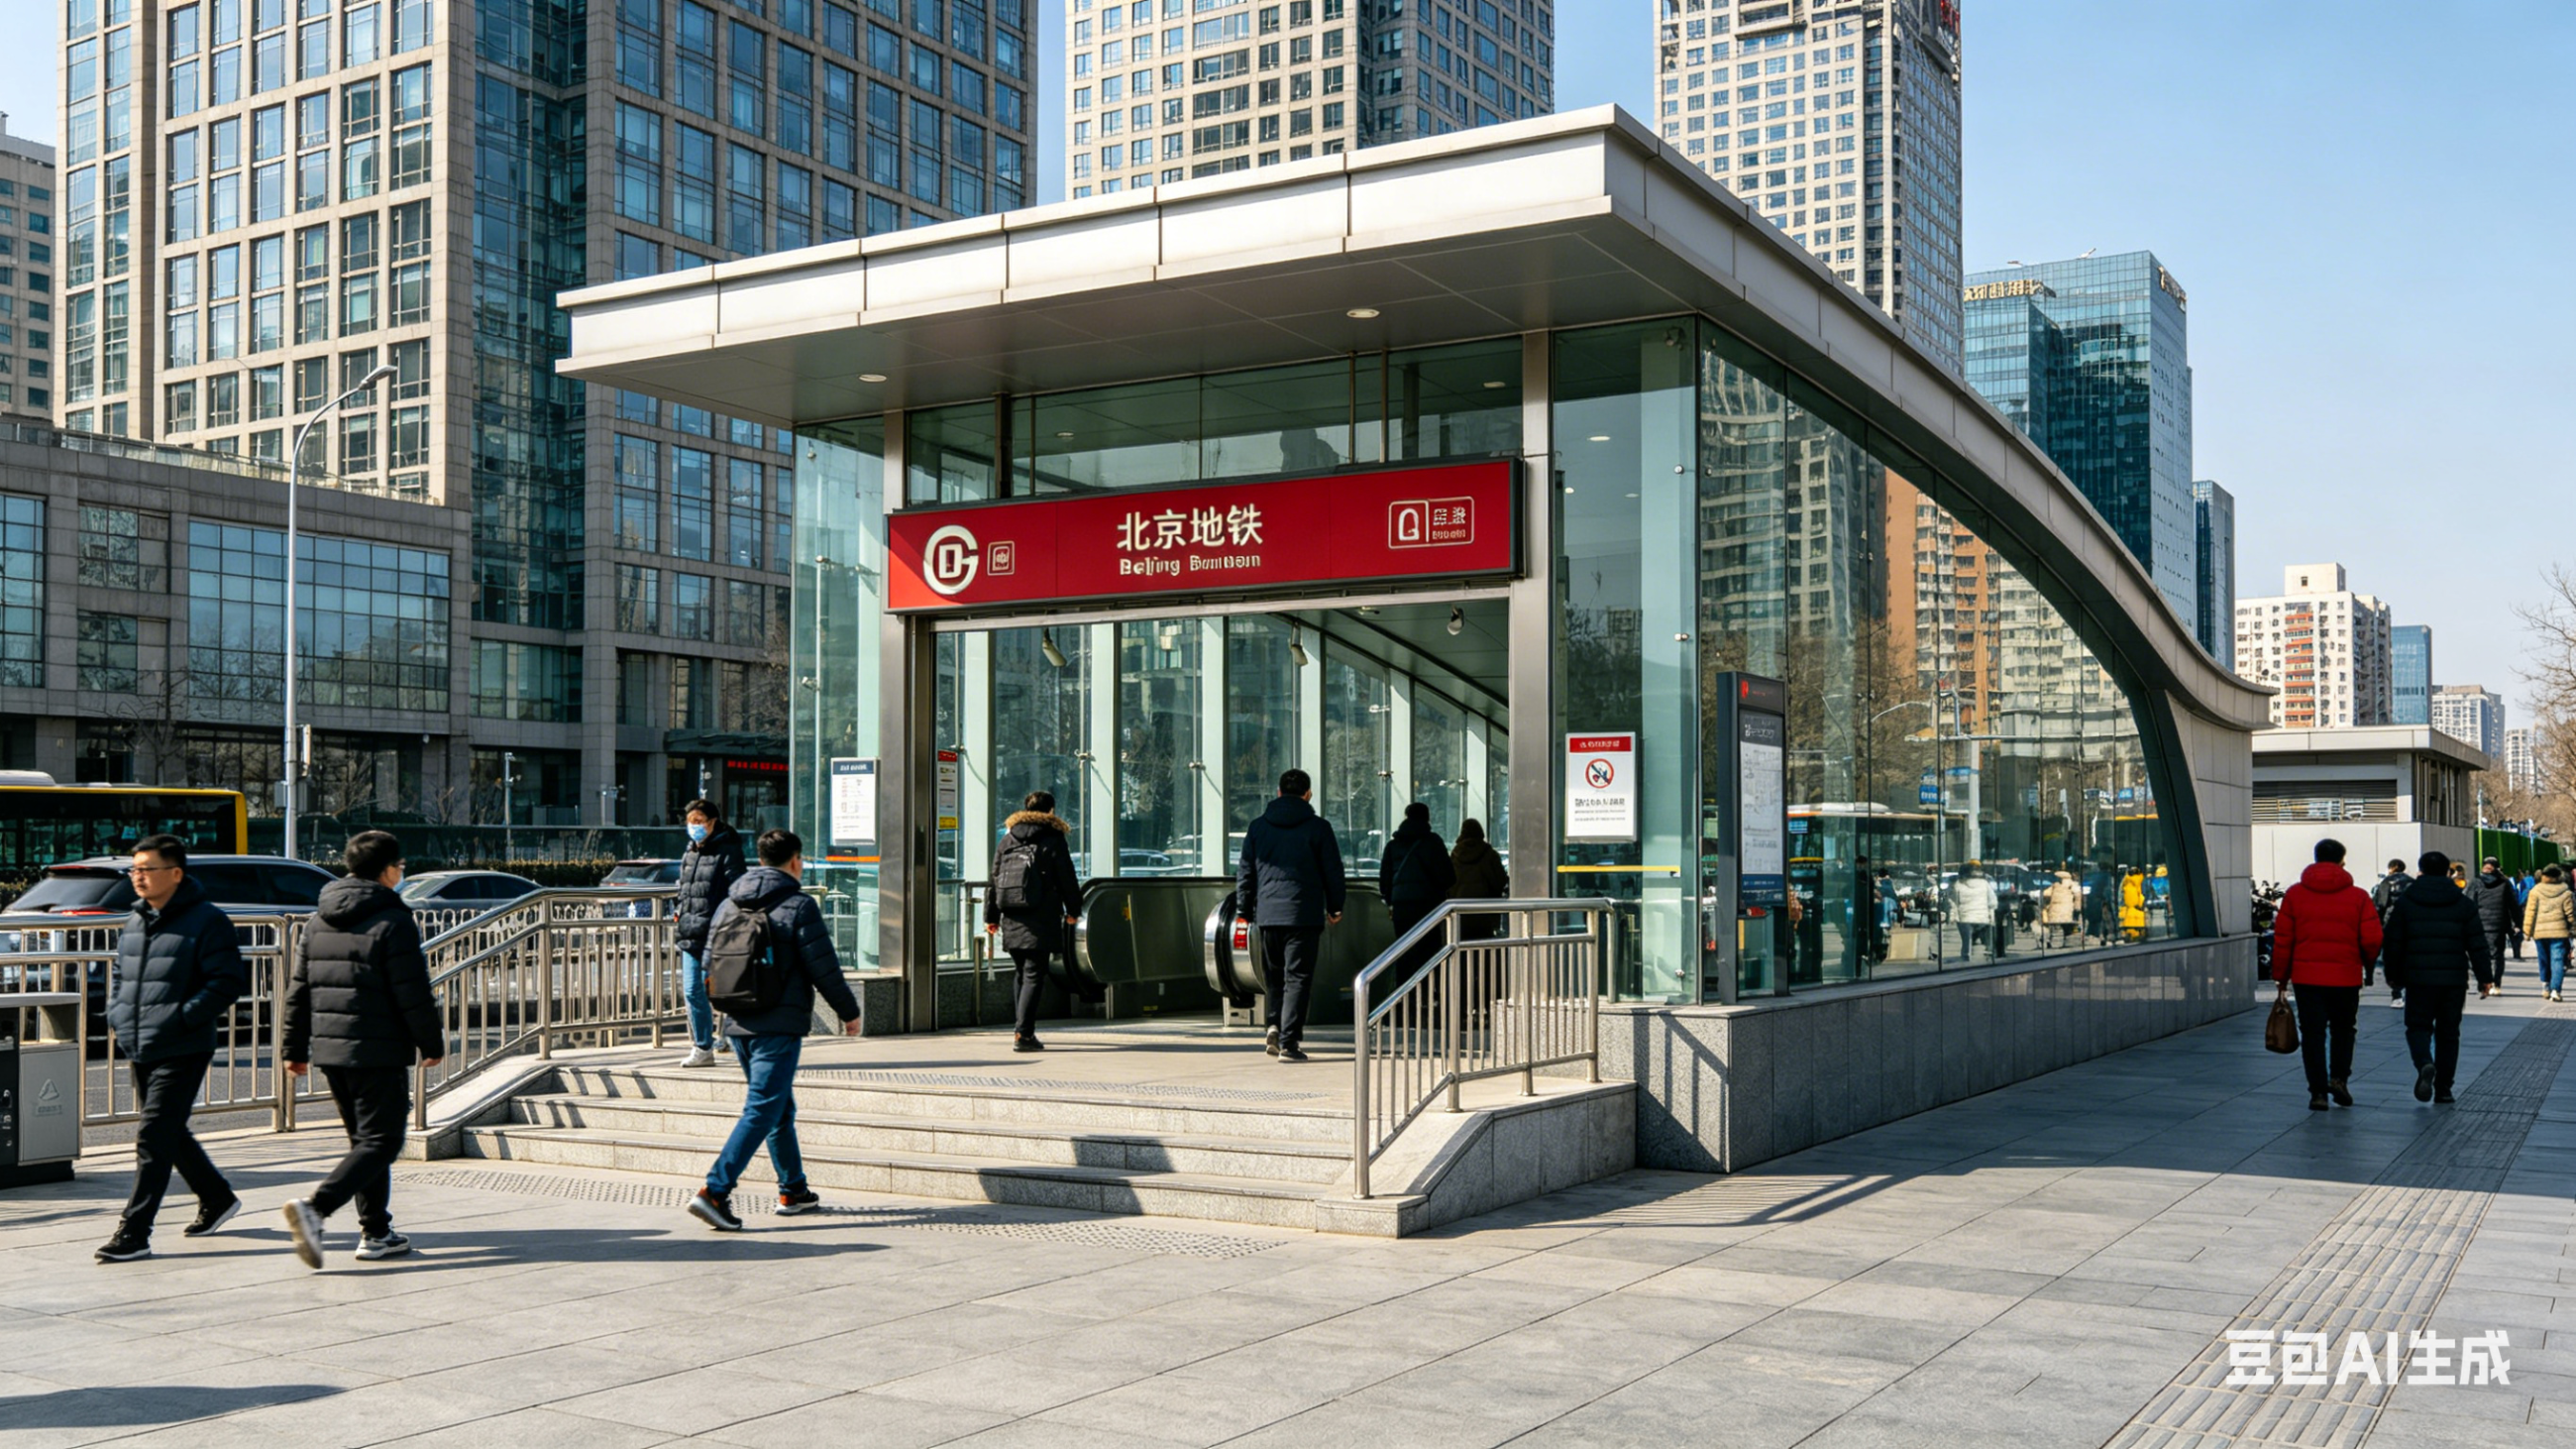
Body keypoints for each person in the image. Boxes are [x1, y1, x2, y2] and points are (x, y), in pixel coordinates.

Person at [279, 831, 447, 1270]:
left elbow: (299, 990)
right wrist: (430, 1042)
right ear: (388, 870)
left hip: (331, 1051)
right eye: (401, 867)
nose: (401, 873)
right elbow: (412, 991)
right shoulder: (393, 920)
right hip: (378, 1049)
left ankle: (376, 1231)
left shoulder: (318, 920)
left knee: (364, 1143)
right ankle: (316, 1209)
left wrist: (294, 1047)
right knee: (383, 1141)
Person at [687, 830, 865, 1231]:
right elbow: (823, 966)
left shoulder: (729, 902)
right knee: (763, 1108)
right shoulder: (799, 904)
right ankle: (714, 1191)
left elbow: (708, 962)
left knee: (778, 1106)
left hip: (737, 1022)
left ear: (761, 859)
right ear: (795, 861)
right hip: (778, 1024)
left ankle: (793, 1190)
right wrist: (848, 1012)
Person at [95, 836, 250, 1264]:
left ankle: (135, 1231)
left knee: (153, 1135)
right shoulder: (136, 919)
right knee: (169, 1132)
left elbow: (226, 982)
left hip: (184, 1045)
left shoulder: (208, 920)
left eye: (147, 869)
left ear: (176, 873)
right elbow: (121, 975)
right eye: (135, 869)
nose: (138, 877)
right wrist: (117, 1014)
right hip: (141, 1042)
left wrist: (182, 1018)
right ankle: (217, 1197)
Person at [1237, 768, 1345, 1062]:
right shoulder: (1319, 827)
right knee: (1297, 977)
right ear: (1308, 794)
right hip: (1303, 915)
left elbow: (1246, 871)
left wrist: (1244, 909)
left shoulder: (1258, 827)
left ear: (1278, 792)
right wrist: (1335, 907)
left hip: (1268, 915)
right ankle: (1289, 1042)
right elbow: (1333, 871)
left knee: (1274, 976)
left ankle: (1273, 1024)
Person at [2270, 837, 2382, 1112]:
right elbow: (2372, 938)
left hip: (2306, 978)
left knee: (2312, 1033)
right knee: (2344, 1030)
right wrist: (2365, 964)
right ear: (2342, 861)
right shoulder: (2358, 896)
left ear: (2316, 858)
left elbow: (2283, 940)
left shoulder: (2295, 895)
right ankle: (2339, 1079)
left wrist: (2281, 977)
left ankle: (2318, 1092)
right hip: (2345, 976)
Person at [2380, 850, 2496, 1105]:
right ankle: (2444, 1089)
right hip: (2453, 979)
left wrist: (2393, 975)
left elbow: (2393, 942)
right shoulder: (2462, 902)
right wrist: (2485, 978)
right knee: (2449, 1033)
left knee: (2418, 1027)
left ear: (2420, 871)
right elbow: (2477, 943)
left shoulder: (2407, 902)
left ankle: (2424, 1062)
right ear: (2448, 872)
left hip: (2418, 977)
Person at [982, 791, 1083, 1052]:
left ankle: (1021, 1030)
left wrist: (991, 917)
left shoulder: (1008, 839)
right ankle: (1024, 1034)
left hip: (1011, 915)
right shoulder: (1053, 838)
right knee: (1034, 974)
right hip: (1041, 915)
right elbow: (1066, 877)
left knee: (1022, 973)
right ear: (1050, 811)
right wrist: (1073, 910)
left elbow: (994, 879)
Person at [673, 798, 748, 1067]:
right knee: (692, 990)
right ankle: (703, 1047)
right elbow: (684, 889)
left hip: (718, 933)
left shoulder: (728, 851)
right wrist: (679, 910)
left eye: (700, 822)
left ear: (713, 822)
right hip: (690, 932)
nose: (694, 827)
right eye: (690, 822)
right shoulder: (690, 852)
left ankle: (738, 1037)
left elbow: (738, 891)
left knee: (725, 991)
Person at [1377, 803, 1456, 988]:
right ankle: (1428, 993)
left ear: (1406, 817)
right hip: (1429, 907)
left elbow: (1385, 880)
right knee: (1428, 951)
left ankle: (1404, 995)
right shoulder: (1433, 842)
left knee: (1404, 950)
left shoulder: (1393, 845)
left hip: (1402, 907)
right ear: (1427, 818)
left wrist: (1391, 901)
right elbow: (1448, 877)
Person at [1448, 817, 1511, 942]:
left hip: (1460, 908)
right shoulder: (1490, 854)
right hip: (1485, 909)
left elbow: (1449, 881)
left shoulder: (1455, 855)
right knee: (1484, 945)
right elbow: (1500, 880)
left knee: (1463, 945)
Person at [2522, 862, 2574, 1003]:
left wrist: (2527, 931)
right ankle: (2556, 990)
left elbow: (2530, 912)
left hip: (2540, 932)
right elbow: (2570, 914)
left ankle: (2546, 985)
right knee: (2557, 961)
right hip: (2559, 931)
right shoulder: (2566, 892)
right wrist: (2573, 929)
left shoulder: (2535, 891)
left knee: (2543, 959)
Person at [2465, 857, 2518, 993]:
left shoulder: (2475, 882)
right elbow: (2513, 905)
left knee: (2479, 953)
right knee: (2496, 955)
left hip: (2478, 924)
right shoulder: (2504, 883)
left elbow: (2468, 902)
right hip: (2498, 924)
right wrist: (2518, 923)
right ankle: (2495, 983)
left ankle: (2484, 981)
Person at [2371, 857, 2414, 1005]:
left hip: (2391, 924)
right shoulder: (2412, 882)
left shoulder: (2386, 882)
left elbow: (2380, 904)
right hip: (2410, 923)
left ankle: (2397, 993)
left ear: (2392, 868)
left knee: (2393, 959)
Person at [1951, 862, 1997, 960]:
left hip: (1965, 918)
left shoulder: (1958, 884)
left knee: (1966, 942)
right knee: (1987, 942)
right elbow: (1992, 901)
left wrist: (1954, 916)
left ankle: (1966, 958)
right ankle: (1988, 957)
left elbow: (1954, 902)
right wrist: (1991, 915)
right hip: (1983, 918)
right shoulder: (1984, 883)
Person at [2041, 868, 2082, 946]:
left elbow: (2046, 894)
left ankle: (2051, 940)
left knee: (2054, 925)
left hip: (2054, 908)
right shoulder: (2072, 884)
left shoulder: (2053, 884)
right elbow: (2077, 895)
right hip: (2067, 908)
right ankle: (2067, 940)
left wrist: (2046, 903)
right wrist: (2077, 906)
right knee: (2068, 925)